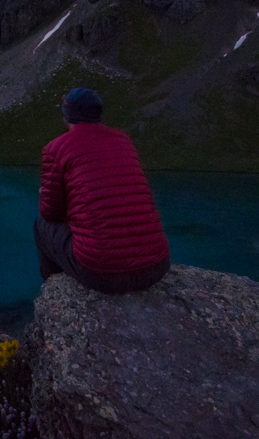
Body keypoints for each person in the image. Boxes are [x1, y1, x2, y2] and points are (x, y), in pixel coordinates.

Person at [34, 87, 170, 293]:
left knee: (41, 225)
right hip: (157, 267)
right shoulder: (123, 140)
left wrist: (45, 194)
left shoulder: (56, 148)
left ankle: (55, 290)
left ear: (67, 116)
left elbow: (50, 213)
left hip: (103, 274)